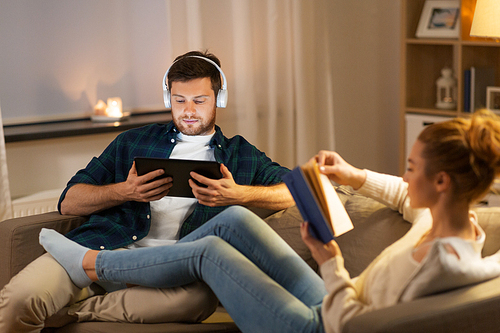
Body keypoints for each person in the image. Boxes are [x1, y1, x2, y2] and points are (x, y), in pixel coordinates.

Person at [39, 110, 500, 333]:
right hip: (334, 304)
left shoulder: (447, 263)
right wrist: (352, 175)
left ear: (441, 181)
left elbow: (355, 326)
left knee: (210, 252)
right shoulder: (452, 222)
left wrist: (331, 260)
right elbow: (404, 195)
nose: (405, 175)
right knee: (234, 217)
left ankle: (92, 265)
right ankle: (97, 266)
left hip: (324, 326)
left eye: (413, 167)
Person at [0, 50, 295, 333]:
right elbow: (68, 202)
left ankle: (71, 313)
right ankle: (82, 289)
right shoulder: (132, 142)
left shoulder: (241, 155)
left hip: (166, 275)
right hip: (97, 248)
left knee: (198, 301)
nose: (188, 111)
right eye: (179, 100)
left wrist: (238, 195)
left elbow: (296, 192)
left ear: (219, 99)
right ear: (168, 98)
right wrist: (124, 191)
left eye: (199, 100)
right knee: (18, 301)